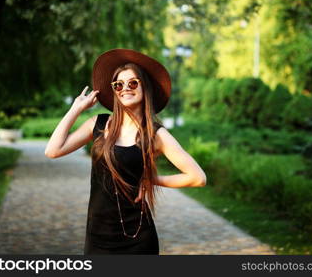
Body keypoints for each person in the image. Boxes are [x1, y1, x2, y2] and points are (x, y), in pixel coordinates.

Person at [44, 48, 207, 255]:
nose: (125, 88)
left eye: (133, 83)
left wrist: (152, 179)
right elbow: (53, 150)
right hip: (97, 235)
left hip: (137, 237)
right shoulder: (99, 124)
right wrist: (76, 109)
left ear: (144, 87)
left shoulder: (155, 134)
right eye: (118, 84)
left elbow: (197, 177)